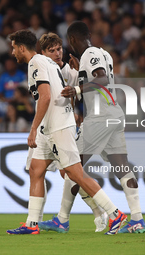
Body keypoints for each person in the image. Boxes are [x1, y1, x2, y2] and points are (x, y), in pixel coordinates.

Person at [6, 30, 127, 235]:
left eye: (13, 48)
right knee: (36, 170)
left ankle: (115, 214)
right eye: (52, 50)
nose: (12, 53)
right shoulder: (51, 64)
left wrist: (33, 129)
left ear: (21, 48)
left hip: (58, 126)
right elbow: (60, 91)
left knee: (74, 173)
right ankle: (32, 223)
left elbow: (44, 97)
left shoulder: (37, 63)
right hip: (50, 126)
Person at [40, 21, 145, 234]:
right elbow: (98, 79)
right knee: (122, 168)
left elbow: (102, 79)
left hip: (100, 118)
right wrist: (81, 73)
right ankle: (137, 220)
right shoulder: (104, 54)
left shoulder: (90, 53)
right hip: (114, 115)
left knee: (72, 167)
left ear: (71, 40)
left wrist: (78, 89)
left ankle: (62, 220)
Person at [32, 32, 108, 232]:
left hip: (60, 128)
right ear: (42, 53)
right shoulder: (41, 68)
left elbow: (83, 89)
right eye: (52, 50)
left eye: (59, 49)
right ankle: (39, 221)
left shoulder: (67, 69)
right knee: (42, 172)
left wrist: (76, 112)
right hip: (47, 129)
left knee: (68, 173)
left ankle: (100, 213)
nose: (58, 54)